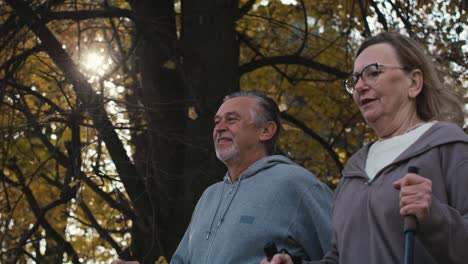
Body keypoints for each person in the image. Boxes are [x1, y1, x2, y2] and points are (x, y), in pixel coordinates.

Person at [262, 32, 468, 264]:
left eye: (373, 72)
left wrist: (434, 217)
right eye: (355, 79)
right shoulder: (353, 171)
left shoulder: (449, 147)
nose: (359, 86)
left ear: (414, 82)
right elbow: (339, 258)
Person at [113, 91, 333, 264]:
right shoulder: (209, 197)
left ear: (265, 131)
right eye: (217, 121)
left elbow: (348, 255)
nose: (219, 128)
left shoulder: (297, 184)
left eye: (232, 119)